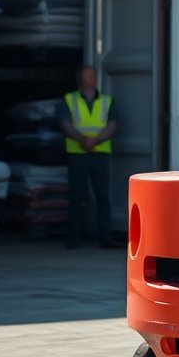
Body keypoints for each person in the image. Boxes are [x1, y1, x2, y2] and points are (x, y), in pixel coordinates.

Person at [59, 65, 119, 250]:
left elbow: (112, 125)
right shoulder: (70, 99)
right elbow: (65, 124)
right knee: (76, 196)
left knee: (103, 196)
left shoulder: (107, 101)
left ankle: (105, 236)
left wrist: (95, 140)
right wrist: (82, 139)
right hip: (77, 153)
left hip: (100, 153)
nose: (91, 78)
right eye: (87, 76)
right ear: (80, 78)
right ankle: (74, 236)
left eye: (93, 75)